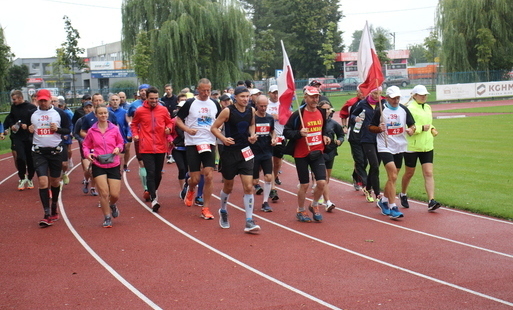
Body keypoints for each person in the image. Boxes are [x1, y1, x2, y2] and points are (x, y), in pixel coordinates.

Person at [211, 86, 260, 233]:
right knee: (229, 187)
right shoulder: (228, 111)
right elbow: (213, 128)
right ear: (236, 98)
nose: (246, 99)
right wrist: (223, 139)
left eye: (247, 96)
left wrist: (252, 135)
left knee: (249, 186)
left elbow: (252, 124)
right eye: (242, 96)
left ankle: (249, 221)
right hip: (229, 153)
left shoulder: (251, 110)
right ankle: (223, 210)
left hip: (245, 151)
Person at [175, 78, 221, 220]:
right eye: (203, 90)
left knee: (209, 175)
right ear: (198, 89)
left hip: (209, 142)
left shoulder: (214, 103)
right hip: (193, 143)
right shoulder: (190, 103)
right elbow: (177, 119)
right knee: (194, 178)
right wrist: (187, 130)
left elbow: (221, 119)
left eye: (208, 90)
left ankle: (205, 208)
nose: (206, 93)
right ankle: (191, 188)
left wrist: (218, 130)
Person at [283, 86, 330, 223]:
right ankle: (300, 209)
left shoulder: (321, 112)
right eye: (312, 97)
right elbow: (286, 132)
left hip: (318, 151)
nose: (315, 99)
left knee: (321, 182)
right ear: (306, 97)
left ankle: (314, 205)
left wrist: (326, 135)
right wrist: (299, 133)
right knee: (304, 185)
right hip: (301, 154)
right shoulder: (298, 114)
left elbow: (325, 127)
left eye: (317, 97)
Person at [369, 86, 416, 219]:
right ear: (387, 98)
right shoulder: (381, 110)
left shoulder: (404, 110)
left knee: (392, 178)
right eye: (393, 98)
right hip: (385, 145)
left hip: (400, 146)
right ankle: (392, 206)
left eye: (398, 98)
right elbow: (370, 127)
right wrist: (378, 128)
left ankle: (383, 200)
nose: (396, 100)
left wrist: (412, 130)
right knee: (393, 175)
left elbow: (412, 124)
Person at [27, 89, 71, 227]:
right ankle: (46, 214)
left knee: (55, 181)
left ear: (50, 100)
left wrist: (57, 129)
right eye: (40, 100)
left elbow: (68, 130)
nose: (43, 102)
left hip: (55, 152)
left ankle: (54, 207)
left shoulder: (60, 113)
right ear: (37, 100)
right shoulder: (32, 114)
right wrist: (28, 131)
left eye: (45, 100)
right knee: (42, 181)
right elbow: (29, 134)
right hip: (39, 152)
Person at [130, 86, 174, 212]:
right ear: (146, 98)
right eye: (151, 99)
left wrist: (169, 129)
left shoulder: (163, 109)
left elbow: (170, 122)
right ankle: (154, 200)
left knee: (158, 174)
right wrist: (136, 134)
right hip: (146, 146)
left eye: (156, 98)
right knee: (150, 173)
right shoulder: (140, 111)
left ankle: (152, 191)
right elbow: (134, 124)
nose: (154, 101)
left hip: (161, 146)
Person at [400, 85, 441, 211]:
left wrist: (432, 128)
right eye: (421, 95)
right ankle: (403, 193)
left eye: (425, 95)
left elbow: (428, 122)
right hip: (412, 146)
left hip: (427, 145)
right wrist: (421, 129)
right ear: (414, 95)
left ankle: (431, 200)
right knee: (409, 173)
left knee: (428, 173)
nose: (424, 97)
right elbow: (408, 128)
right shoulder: (409, 108)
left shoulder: (428, 107)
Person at [82, 105, 124, 227]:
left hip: (113, 163)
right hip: (98, 163)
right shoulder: (92, 131)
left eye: (105, 113)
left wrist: (118, 148)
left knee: (115, 194)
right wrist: (87, 154)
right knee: (104, 193)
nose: (103, 115)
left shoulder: (114, 129)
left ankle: (112, 204)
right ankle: (107, 217)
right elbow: (85, 145)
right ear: (96, 115)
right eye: (100, 113)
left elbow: (121, 142)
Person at [350, 87, 385, 203]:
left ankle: (368, 188)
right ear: (370, 92)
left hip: (380, 138)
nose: (377, 95)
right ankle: (378, 193)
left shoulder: (383, 103)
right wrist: (356, 118)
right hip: (367, 138)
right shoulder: (363, 103)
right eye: (375, 93)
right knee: (374, 165)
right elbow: (352, 115)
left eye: (379, 93)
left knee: (375, 166)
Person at [4, 90, 37, 191]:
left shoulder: (31, 107)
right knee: (20, 158)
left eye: (14, 99)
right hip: (18, 137)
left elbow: (35, 121)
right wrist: (11, 126)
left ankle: (30, 177)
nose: (13, 101)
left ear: (20, 98)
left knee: (30, 159)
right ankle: (22, 177)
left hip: (29, 137)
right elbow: (10, 118)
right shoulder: (14, 107)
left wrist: (27, 126)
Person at [251, 95, 277, 213]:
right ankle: (248, 197)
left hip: (266, 151)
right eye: (261, 106)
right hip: (254, 152)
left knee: (268, 177)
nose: (263, 108)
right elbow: (247, 132)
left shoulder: (269, 118)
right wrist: (251, 137)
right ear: (256, 105)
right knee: (254, 181)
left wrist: (274, 139)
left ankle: (265, 202)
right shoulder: (252, 118)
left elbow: (273, 131)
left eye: (265, 106)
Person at [319, 100, 344, 212]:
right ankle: (328, 202)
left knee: (326, 179)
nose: (326, 111)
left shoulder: (333, 123)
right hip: (319, 153)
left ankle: (320, 194)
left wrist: (339, 141)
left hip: (331, 152)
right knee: (323, 178)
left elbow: (341, 134)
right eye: (324, 109)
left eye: (328, 109)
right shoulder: (316, 122)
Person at [339, 86, 365, 191]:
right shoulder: (351, 102)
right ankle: (361, 181)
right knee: (359, 159)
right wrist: (344, 126)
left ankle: (356, 175)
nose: (362, 94)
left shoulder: (370, 102)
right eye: (360, 92)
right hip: (354, 134)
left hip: (367, 135)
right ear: (357, 92)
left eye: (364, 92)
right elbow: (343, 114)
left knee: (365, 160)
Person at [127, 84, 150, 200]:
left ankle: (151, 186)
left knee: (152, 164)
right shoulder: (134, 105)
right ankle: (146, 188)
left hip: (153, 138)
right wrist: (131, 128)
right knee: (142, 162)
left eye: (146, 90)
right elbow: (128, 116)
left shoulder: (158, 104)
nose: (143, 92)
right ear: (139, 92)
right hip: (140, 137)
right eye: (141, 90)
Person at [73, 101, 95, 194]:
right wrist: (81, 140)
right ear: (84, 109)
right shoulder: (80, 120)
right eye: (86, 107)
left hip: (96, 147)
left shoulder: (97, 120)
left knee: (93, 169)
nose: (88, 109)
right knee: (88, 169)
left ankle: (93, 188)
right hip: (85, 148)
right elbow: (75, 133)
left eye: (90, 107)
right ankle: (86, 181)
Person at [266, 85, 283, 201]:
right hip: (267, 136)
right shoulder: (265, 104)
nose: (276, 95)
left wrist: (280, 117)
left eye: (277, 93)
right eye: (273, 93)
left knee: (277, 162)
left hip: (280, 136)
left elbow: (288, 119)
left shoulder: (282, 105)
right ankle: (272, 188)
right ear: (269, 93)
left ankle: (275, 176)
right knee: (269, 162)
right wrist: (270, 117)